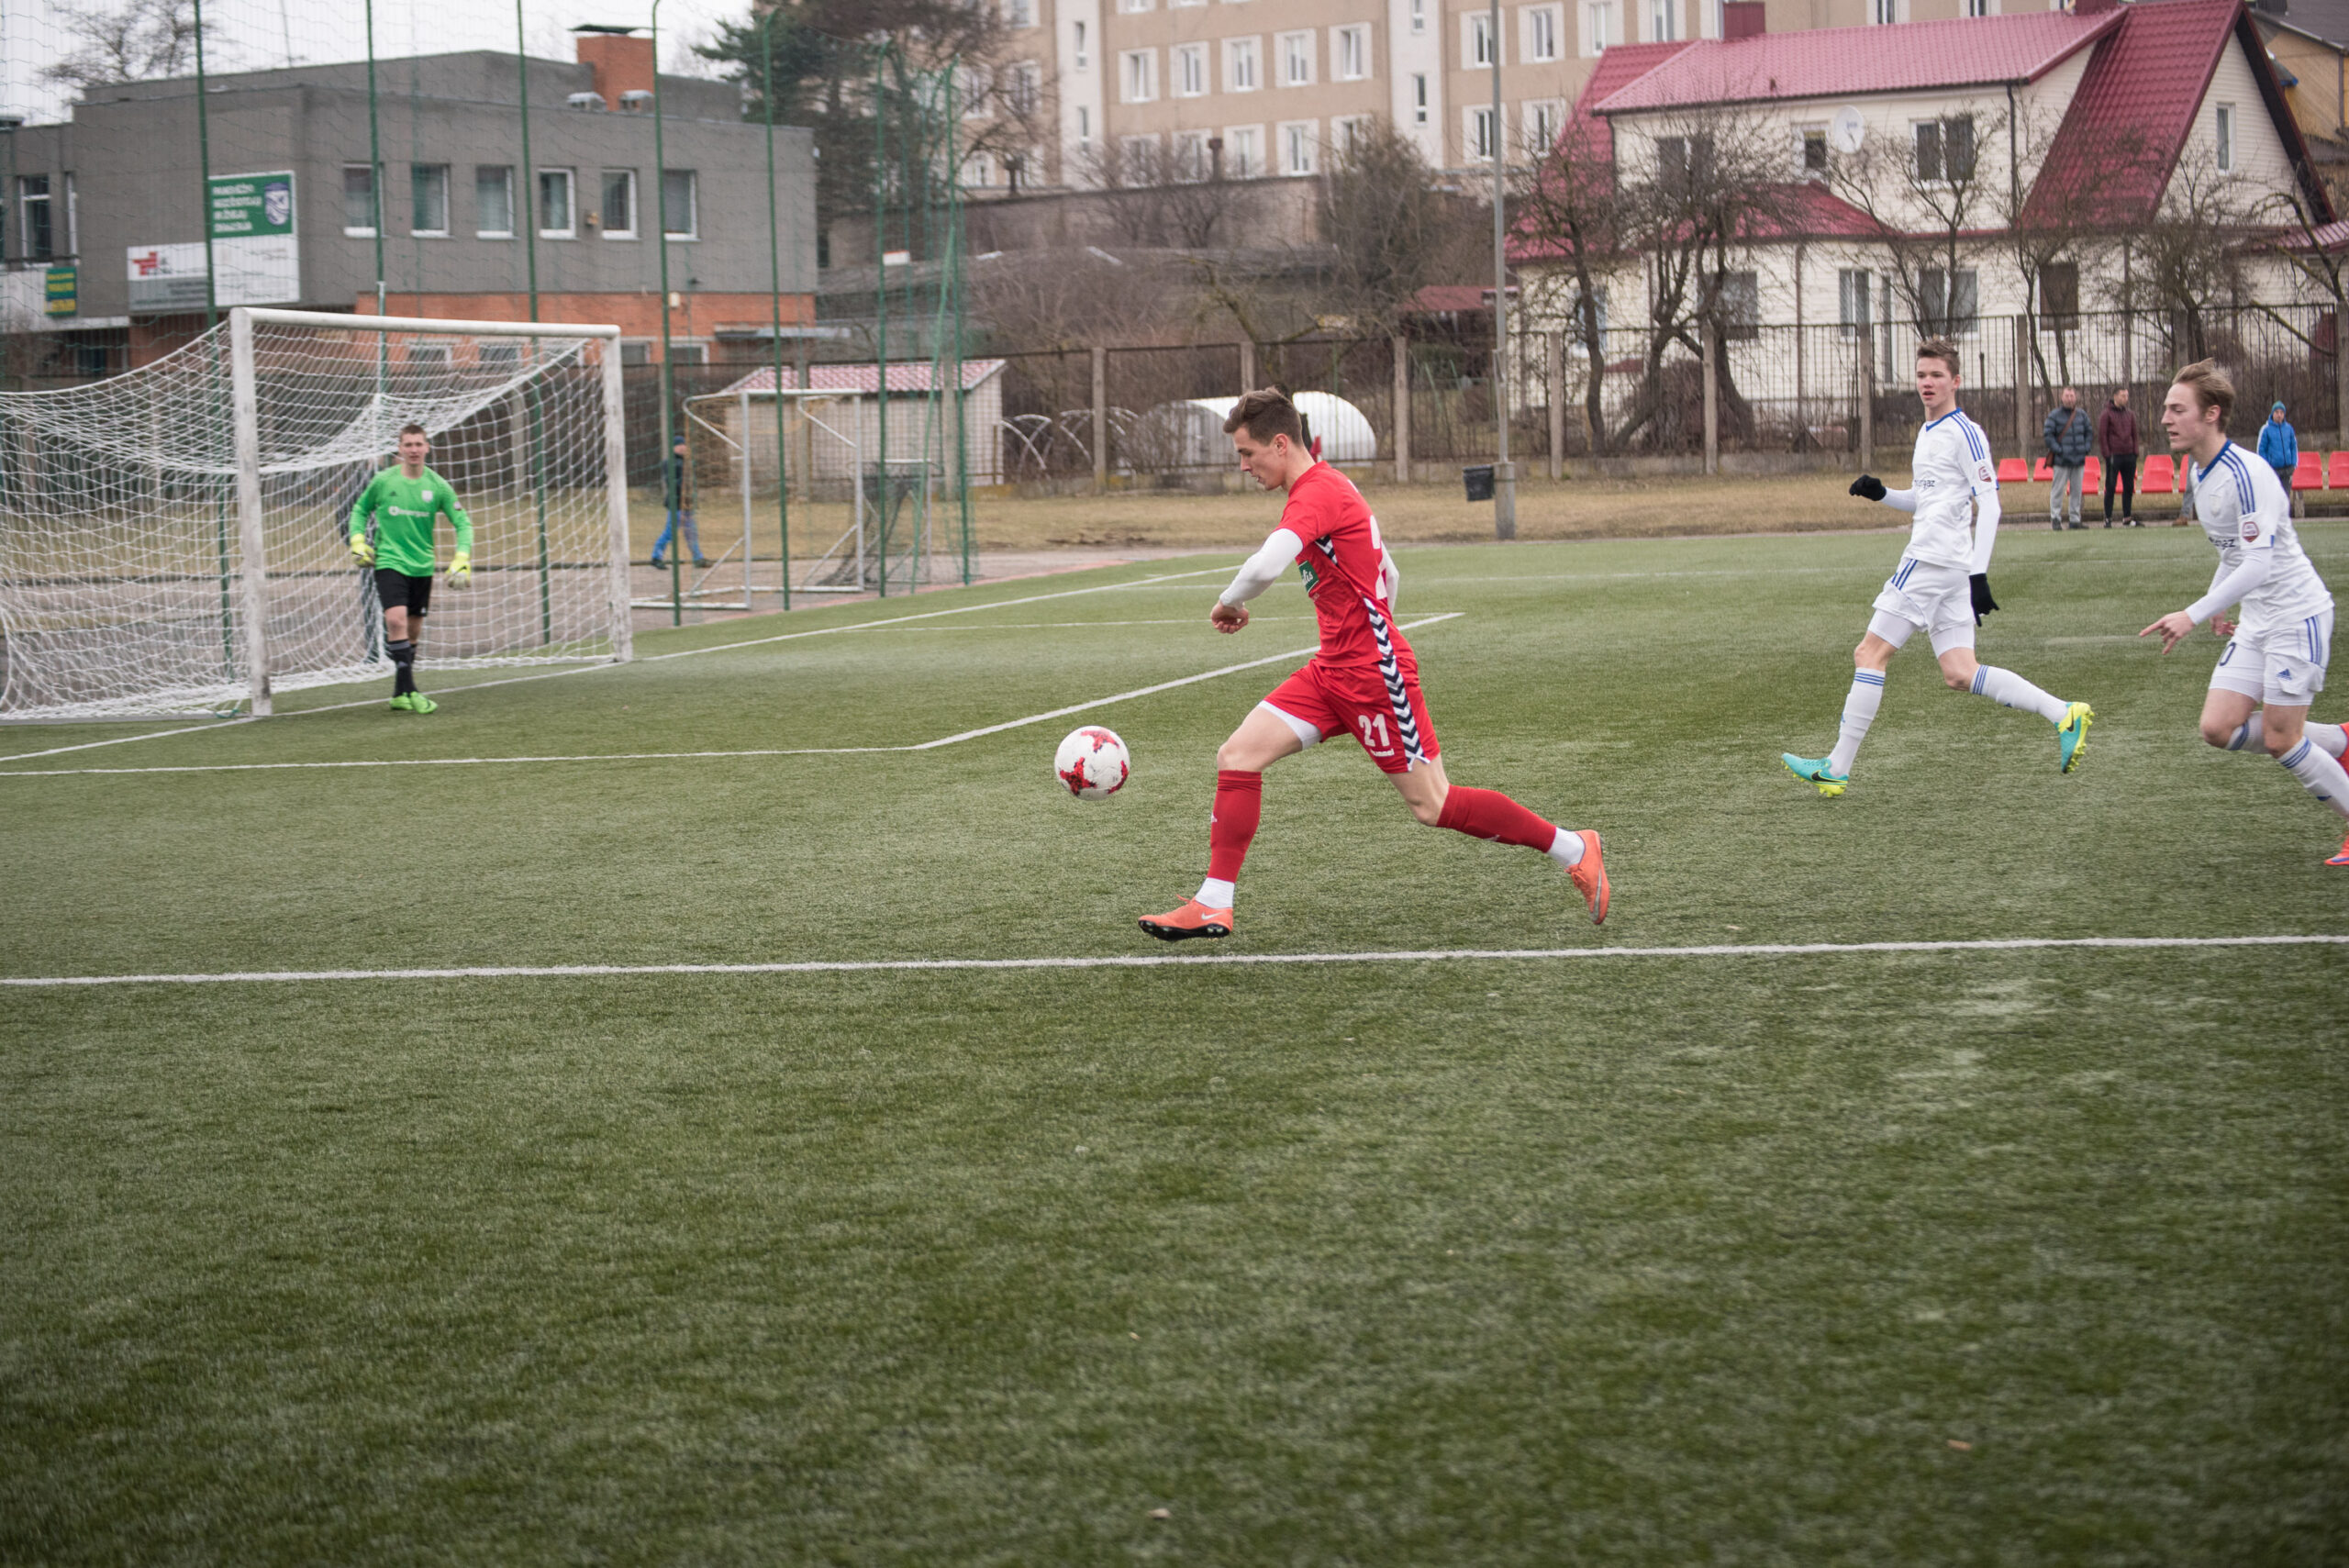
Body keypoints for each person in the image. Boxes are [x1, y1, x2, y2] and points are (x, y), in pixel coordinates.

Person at [1137, 387, 1609, 940]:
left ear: (1280, 444)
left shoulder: (1316, 493)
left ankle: (1573, 847)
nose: (1243, 466)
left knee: (1434, 805)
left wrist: (1229, 603)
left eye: (1247, 453)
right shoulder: (1332, 486)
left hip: (1373, 677)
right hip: (1332, 671)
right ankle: (1214, 903)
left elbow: (1264, 567)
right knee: (1238, 755)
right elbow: (1390, 573)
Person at [1784, 337, 2094, 796]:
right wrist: (1882, 494)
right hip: (1948, 567)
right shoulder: (1927, 431)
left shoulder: (1965, 432)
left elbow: (1990, 504)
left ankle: (1836, 767)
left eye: (1937, 375)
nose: (1927, 383)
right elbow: (1926, 500)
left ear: (1956, 381)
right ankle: (2063, 714)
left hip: (1931, 561)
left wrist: (1979, 575)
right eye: (1921, 375)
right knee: (1960, 672)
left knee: (1869, 654)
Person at [2140, 361, 2349, 867]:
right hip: (2258, 620)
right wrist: (2220, 600)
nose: (2165, 419)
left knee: (2281, 739)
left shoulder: (2247, 473)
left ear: (2211, 414)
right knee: (2217, 728)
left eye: (2177, 409)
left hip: (2296, 617)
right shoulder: (2199, 471)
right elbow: (2233, 553)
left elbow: (2258, 562)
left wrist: (2193, 613)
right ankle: (2340, 740)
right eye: (2166, 408)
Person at [349, 422, 471, 714]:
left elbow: (463, 523)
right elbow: (360, 510)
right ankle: (413, 691)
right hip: (389, 561)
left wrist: (461, 558)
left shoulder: (437, 485)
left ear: (426, 447)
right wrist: (357, 541)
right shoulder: (383, 481)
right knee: (396, 622)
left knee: (412, 634)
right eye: (408, 445)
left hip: (422, 567)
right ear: (400, 449)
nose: (413, 450)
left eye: (418, 444)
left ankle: (398, 693)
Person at [649, 436, 708, 570]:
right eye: (679, 445)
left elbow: (692, 484)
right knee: (670, 532)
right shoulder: (669, 463)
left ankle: (698, 558)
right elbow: (672, 483)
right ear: (673, 448)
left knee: (691, 533)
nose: (682, 447)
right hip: (676, 504)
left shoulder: (688, 463)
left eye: (683, 445)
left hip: (688, 504)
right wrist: (684, 482)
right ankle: (656, 557)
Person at [2043, 384, 2092, 530]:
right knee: (2057, 491)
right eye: (2067, 396)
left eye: (2072, 396)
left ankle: (2075, 519)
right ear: (2061, 397)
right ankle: (2055, 519)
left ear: (2075, 398)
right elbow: (2048, 435)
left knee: (2077, 491)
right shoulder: (2054, 415)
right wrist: (2059, 450)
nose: (2070, 399)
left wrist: (2085, 448)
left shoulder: (2082, 415)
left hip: (2078, 460)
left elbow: (2089, 433)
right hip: (2061, 461)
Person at [2095, 384, 2140, 528]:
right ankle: (2108, 518)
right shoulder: (2106, 414)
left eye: (2127, 395)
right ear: (2115, 396)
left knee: (2129, 487)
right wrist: (2107, 455)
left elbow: (2135, 434)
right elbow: (2102, 436)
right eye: (2122, 395)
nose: (2125, 398)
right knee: (2111, 487)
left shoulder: (2130, 414)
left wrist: (2135, 452)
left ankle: (2127, 517)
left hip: (2129, 456)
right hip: (2114, 456)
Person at [2256, 400, 2299, 517]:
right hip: (2273, 470)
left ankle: (2283, 519)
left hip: (2287, 469)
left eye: (2281, 412)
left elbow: (2294, 446)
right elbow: (2261, 450)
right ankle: (2272, 519)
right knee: (2273, 496)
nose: (2279, 415)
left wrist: (2294, 463)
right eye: (2277, 412)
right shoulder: (2266, 429)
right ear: (2272, 414)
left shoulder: (2289, 429)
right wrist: (2266, 466)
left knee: (2285, 497)